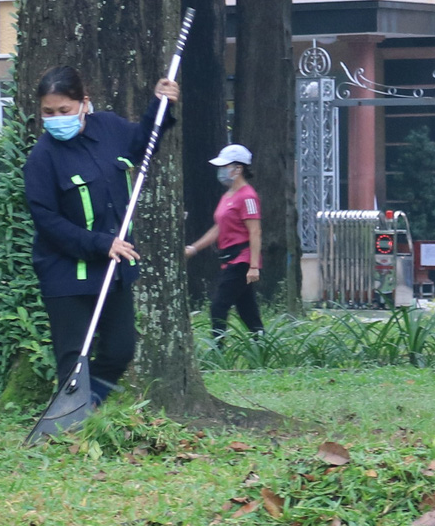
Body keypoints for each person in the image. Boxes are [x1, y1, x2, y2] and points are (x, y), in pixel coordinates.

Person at [22, 65, 181, 406]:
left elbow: (143, 144)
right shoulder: (41, 158)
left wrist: (161, 105)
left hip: (114, 270)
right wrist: (100, 243)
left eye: (63, 110)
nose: (55, 118)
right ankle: (69, 424)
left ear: (83, 103)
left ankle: (89, 404)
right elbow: (47, 221)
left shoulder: (109, 128)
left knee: (121, 349)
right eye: (48, 112)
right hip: (65, 275)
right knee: (73, 359)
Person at [185, 144, 263, 342]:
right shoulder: (228, 196)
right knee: (247, 310)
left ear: (238, 169)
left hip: (241, 261)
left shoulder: (248, 196)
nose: (221, 171)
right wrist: (194, 248)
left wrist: (253, 266)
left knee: (218, 306)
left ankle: (218, 350)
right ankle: (262, 346)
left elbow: (255, 232)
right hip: (229, 259)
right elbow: (218, 228)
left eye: (225, 166)